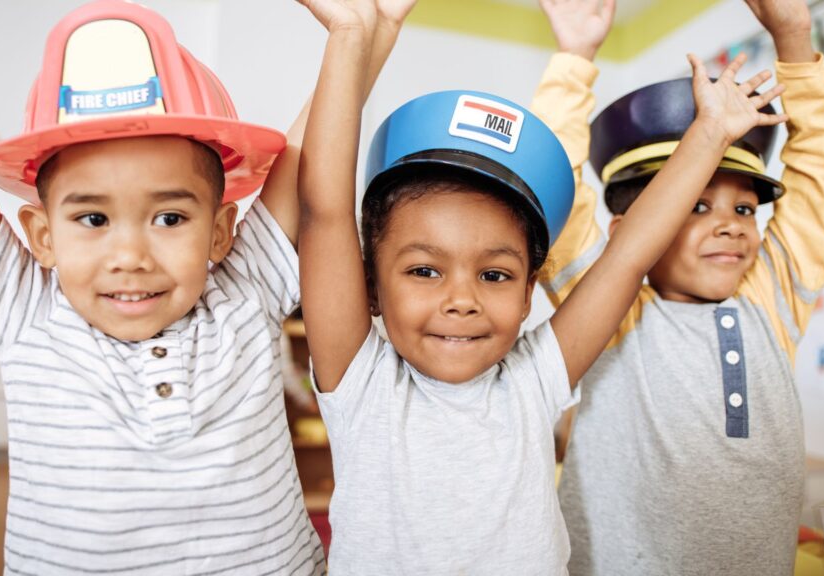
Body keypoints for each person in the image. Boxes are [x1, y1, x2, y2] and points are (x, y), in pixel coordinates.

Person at [0, 0, 414, 572]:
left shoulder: (246, 290)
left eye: (169, 218)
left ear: (218, 231)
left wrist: (366, 31)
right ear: (41, 235)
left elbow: (308, 157)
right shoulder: (25, 310)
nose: (131, 257)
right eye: (93, 219)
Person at [294, 0, 788, 572]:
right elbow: (323, 212)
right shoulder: (361, 385)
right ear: (370, 289)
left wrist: (708, 136)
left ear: (529, 292)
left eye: (495, 274)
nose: (462, 299)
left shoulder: (533, 381)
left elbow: (627, 258)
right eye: (424, 270)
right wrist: (351, 35)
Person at [530, 0, 824, 574]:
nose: (730, 223)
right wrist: (574, 58)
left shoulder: (768, 300)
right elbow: (549, 192)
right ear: (629, 230)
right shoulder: (610, 310)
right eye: (696, 204)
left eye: (746, 209)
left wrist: (794, 39)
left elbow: (819, 176)